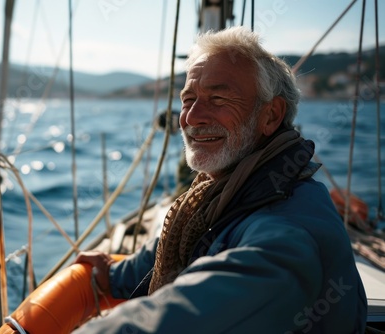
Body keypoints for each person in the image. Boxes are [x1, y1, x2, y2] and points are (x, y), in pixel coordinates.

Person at [73, 26, 367, 333]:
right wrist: (112, 274)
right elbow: (188, 240)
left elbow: (191, 316)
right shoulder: (229, 193)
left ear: (270, 116)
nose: (192, 117)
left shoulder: (288, 229)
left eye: (218, 98)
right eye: (188, 100)